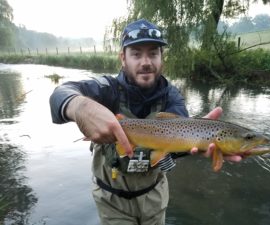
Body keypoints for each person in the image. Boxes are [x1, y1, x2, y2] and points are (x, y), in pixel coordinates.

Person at [49, 19, 242, 225]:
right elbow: (60, 94)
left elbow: (178, 145)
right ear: (123, 58)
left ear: (162, 58)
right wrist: (80, 107)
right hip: (112, 201)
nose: (146, 62)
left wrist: (201, 138)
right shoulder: (107, 89)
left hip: (154, 198)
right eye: (136, 53)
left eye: (153, 53)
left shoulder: (172, 96)